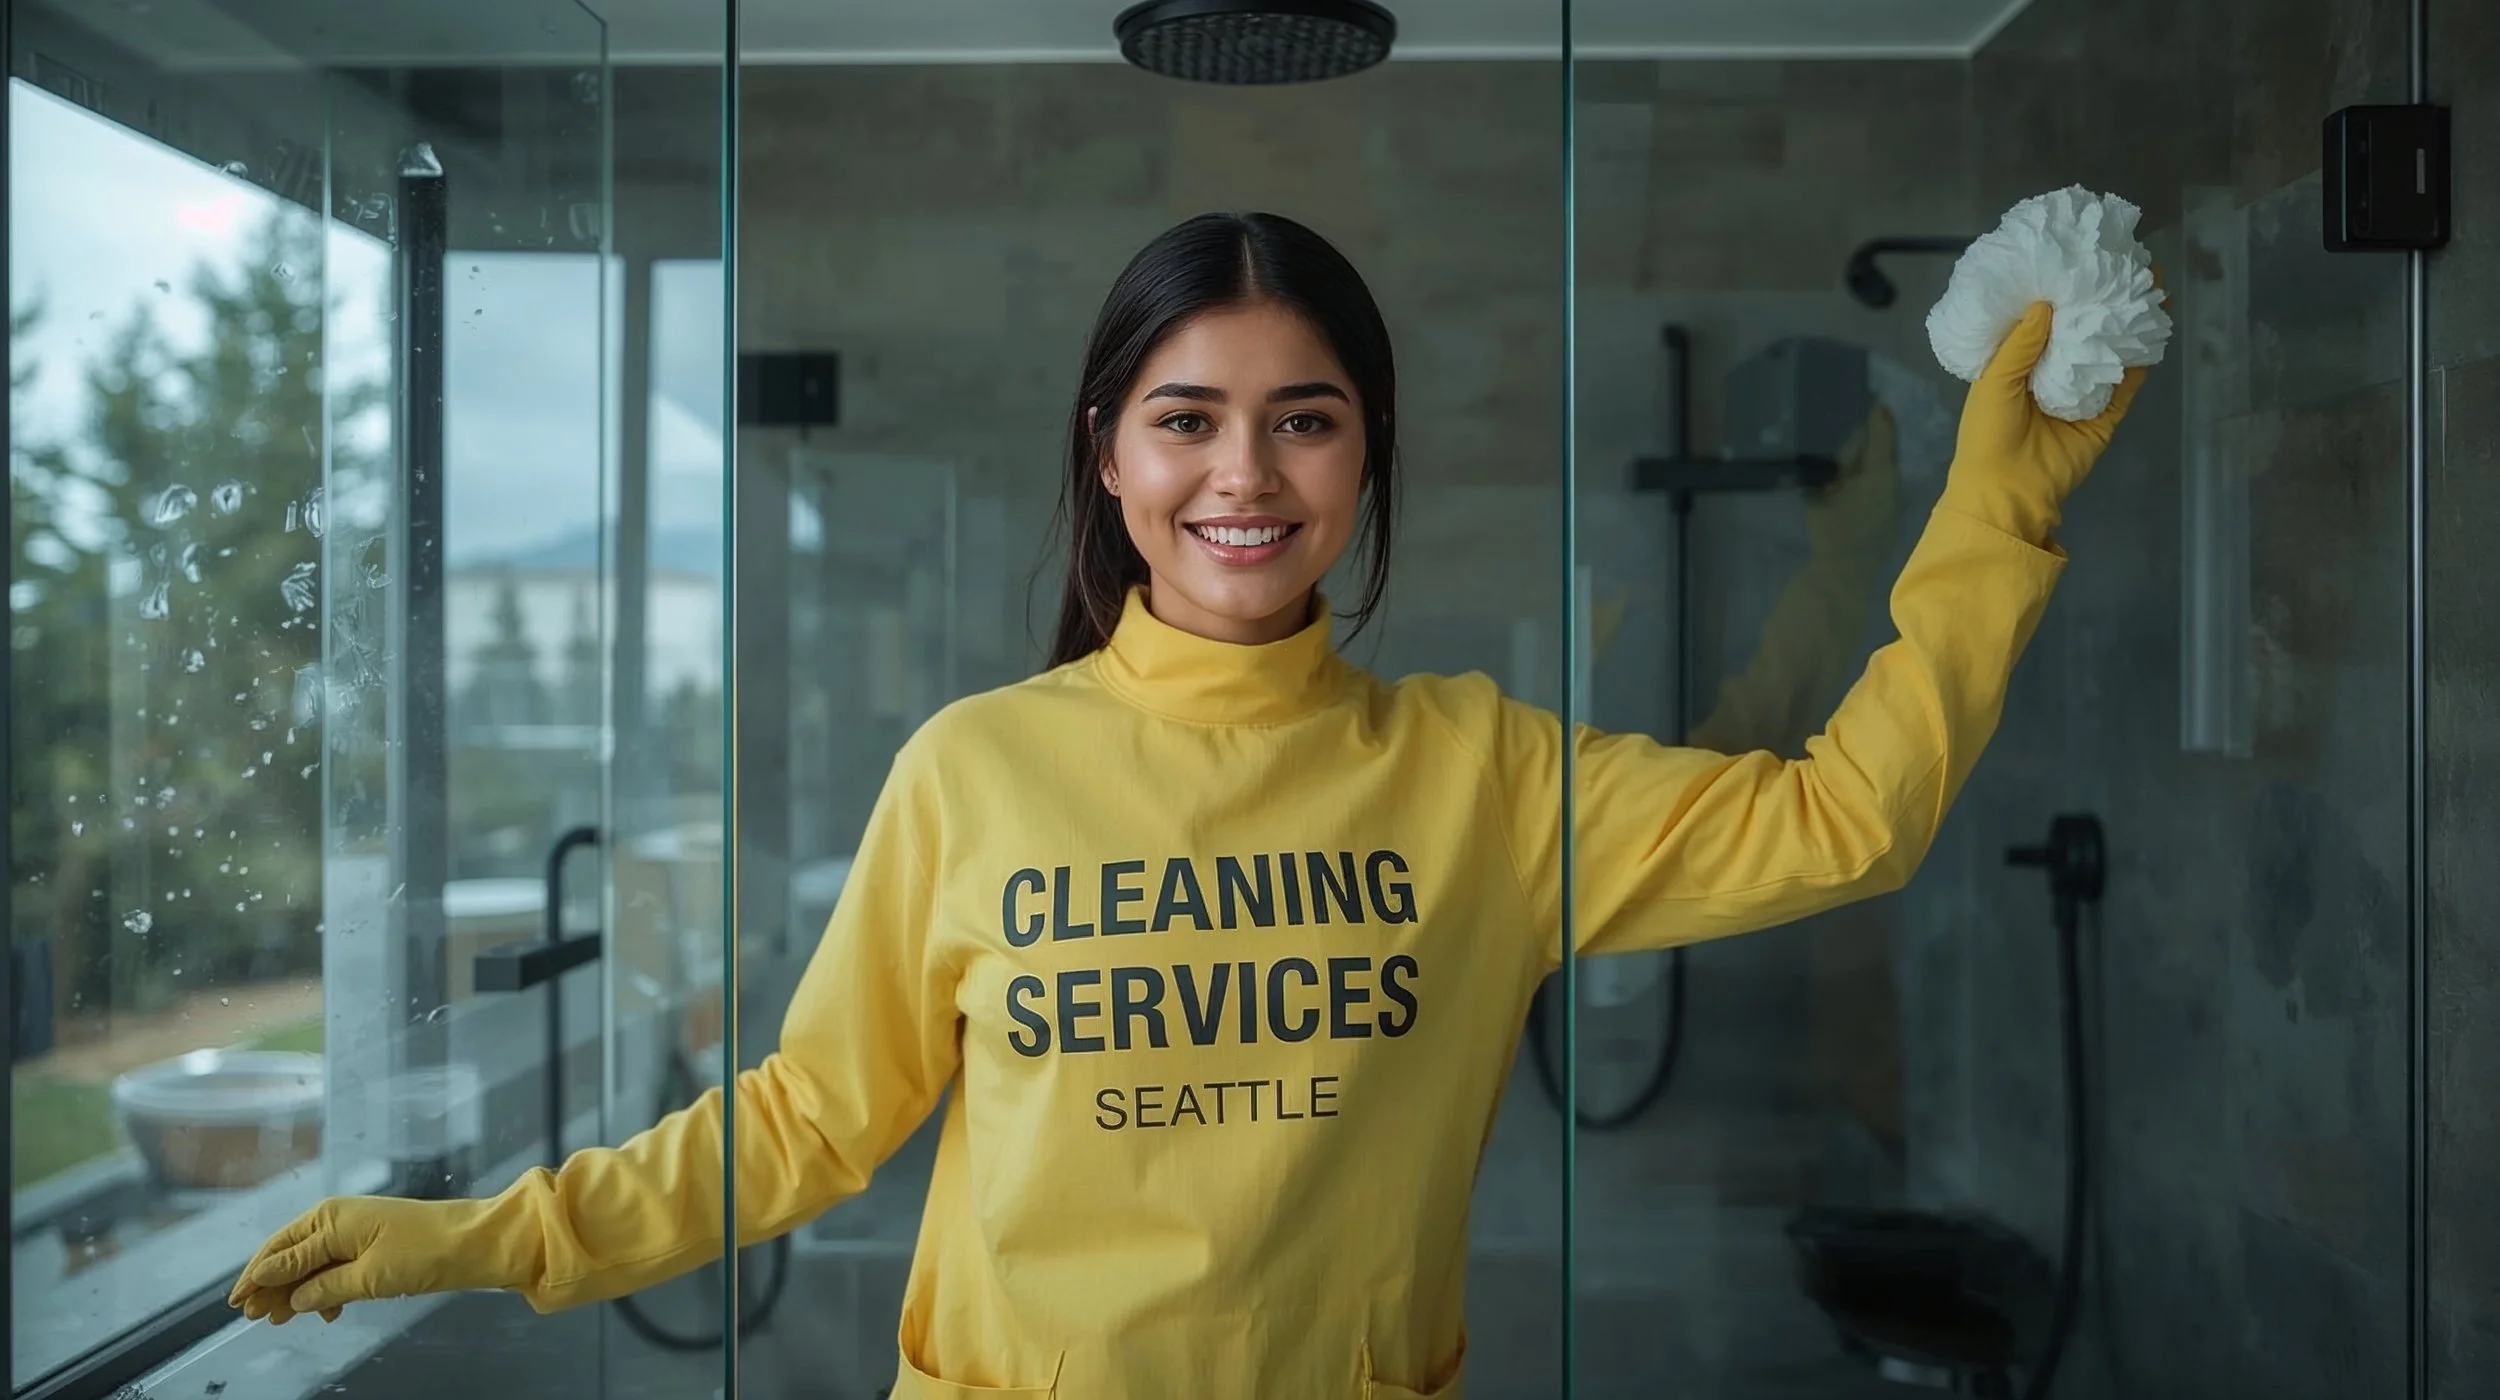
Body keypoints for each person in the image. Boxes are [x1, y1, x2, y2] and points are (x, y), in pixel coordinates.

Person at [229, 211, 2145, 1399]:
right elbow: (806, 1126)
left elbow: (1844, 819)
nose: (1248, 472)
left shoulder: (1483, 777)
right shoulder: (976, 770)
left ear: (1366, 452)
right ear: (1112, 453)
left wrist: (2000, 504)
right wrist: (486, 1233)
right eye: (1188, 415)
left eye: (1304, 415)